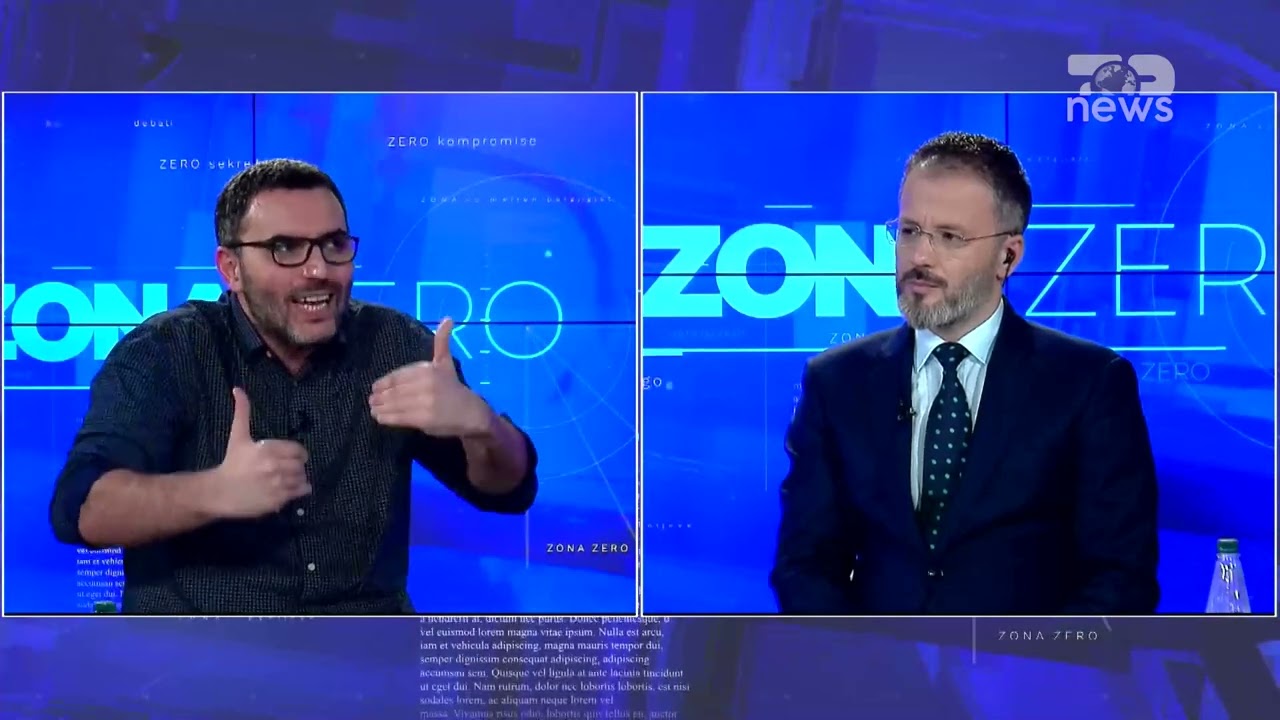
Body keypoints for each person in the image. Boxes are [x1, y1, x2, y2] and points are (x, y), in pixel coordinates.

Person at [48, 159, 539, 615]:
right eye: (285, 249)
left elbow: (508, 491)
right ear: (231, 268)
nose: (318, 270)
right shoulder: (166, 351)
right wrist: (212, 492)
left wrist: (483, 427)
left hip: (366, 653)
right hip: (202, 653)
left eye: (334, 245)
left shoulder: (397, 343)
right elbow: (82, 510)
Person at [769, 132, 1159, 615]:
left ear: (1008, 256)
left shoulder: (1089, 383)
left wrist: (1028, 658)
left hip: (1030, 661)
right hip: (871, 659)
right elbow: (804, 565)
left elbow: (1121, 577)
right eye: (909, 231)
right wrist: (861, 654)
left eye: (950, 237)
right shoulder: (836, 382)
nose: (920, 257)